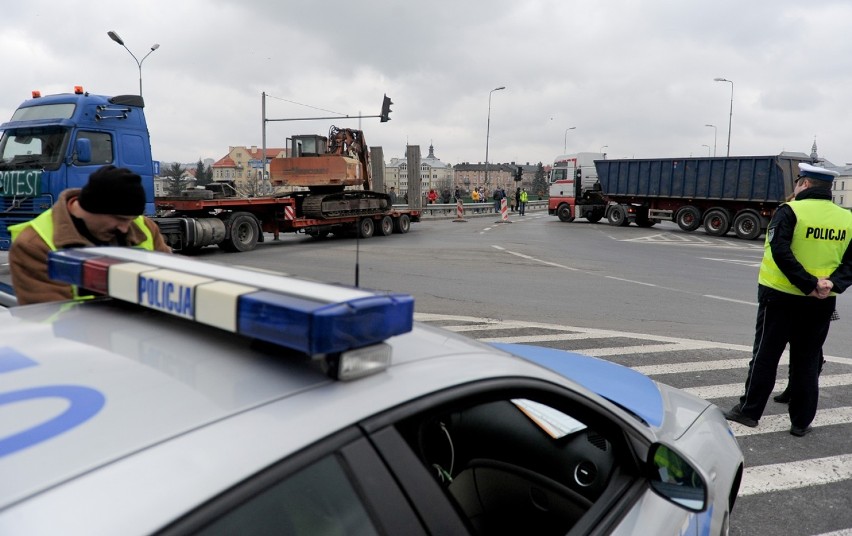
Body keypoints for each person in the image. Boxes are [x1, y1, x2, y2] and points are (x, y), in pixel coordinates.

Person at [724, 163, 852, 437]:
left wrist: (807, 284)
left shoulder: (790, 211)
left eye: (798, 182)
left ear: (804, 184)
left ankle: (749, 411)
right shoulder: (846, 219)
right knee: (807, 360)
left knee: (765, 356)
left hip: (780, 299)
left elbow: (780, 252)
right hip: (822, 300)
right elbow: (850, 262)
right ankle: (801, 421)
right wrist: (831, 284)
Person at [9, 165, 171, 305]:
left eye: (132, 219)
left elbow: (169, 282)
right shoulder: (34, 244)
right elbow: (51, 316)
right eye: (119, 219)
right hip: (79, 338)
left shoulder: (144, 227)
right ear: (92, 207)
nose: (124, 228)